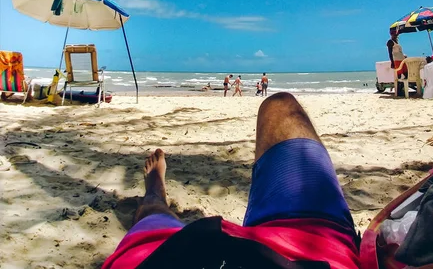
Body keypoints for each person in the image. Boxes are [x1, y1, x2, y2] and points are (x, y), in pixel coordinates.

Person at [102, 93, 359, 269]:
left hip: (169, 256)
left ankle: (155, 194)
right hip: (308, 241)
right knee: (280, 107)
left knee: (153, 214)